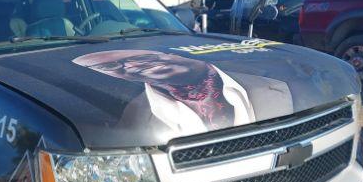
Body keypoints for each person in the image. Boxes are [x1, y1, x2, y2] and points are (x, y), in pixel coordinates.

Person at [72, 49, 259, 134]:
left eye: (145, 57)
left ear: (172, 54)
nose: (133, 66)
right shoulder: (138, 115)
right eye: (116, 67)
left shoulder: (276, 87)